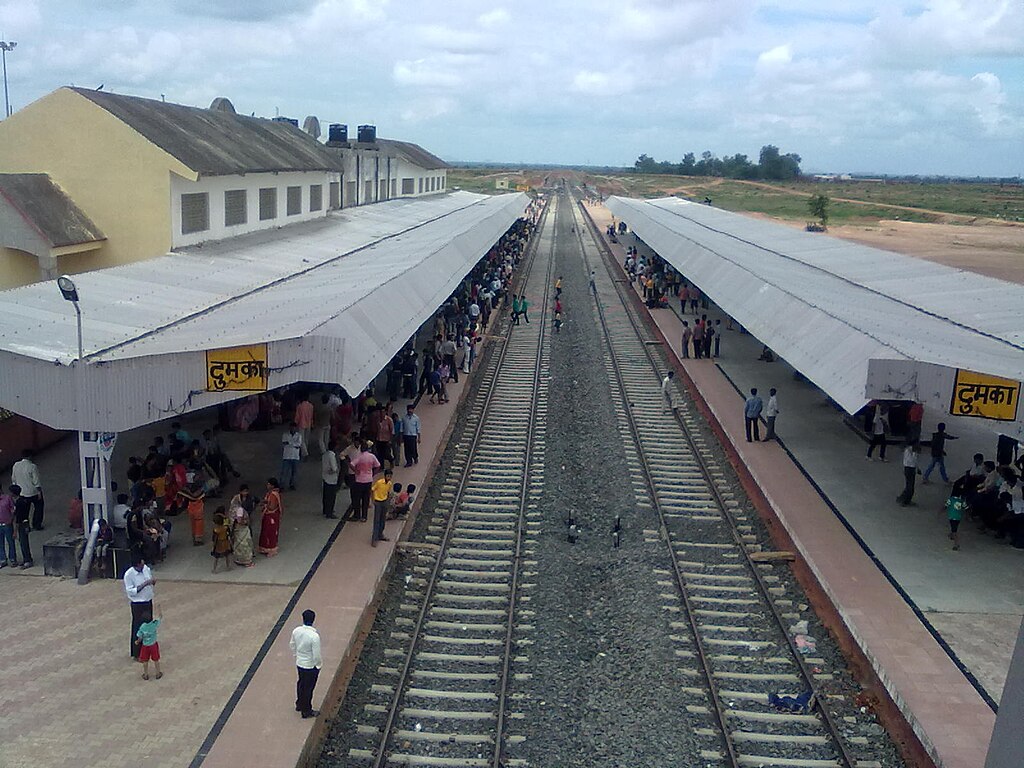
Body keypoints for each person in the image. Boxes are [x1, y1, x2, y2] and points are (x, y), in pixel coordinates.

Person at [290, 609, 322, 719]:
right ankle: (306, 710)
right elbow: (316, 654)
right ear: (313, 620)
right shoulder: (314, 636)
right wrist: (318, 665)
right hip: (310, 666)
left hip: (300, 663)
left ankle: (299, 704)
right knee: (308, 688)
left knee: (301, 684)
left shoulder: (296, 631)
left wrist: (296, 655)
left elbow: (292, 644)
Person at [124, 554, 155, 659]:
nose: (143, 566)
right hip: (138, 604)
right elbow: (130, 591)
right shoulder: (129, 575)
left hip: (148, 601)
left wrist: (151, 582)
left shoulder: (146, 569)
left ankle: (148, 649)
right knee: (138, 628)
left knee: (149, 627)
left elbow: (149, 578)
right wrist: (144, 584)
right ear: (136, 565)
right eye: (141, 565)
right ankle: (137, 652)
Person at [11, 449, 44, 530]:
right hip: (33, 492)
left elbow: (13, 479)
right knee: (39, 507)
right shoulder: (32, 466)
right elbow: (36, 481)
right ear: (30, 456)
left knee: (24, 511)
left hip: (22, 493)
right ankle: (36, 524)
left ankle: (26, 526)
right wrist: (39, 492)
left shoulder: (16, 465)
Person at [349, 442, 381, 523]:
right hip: (368, 480)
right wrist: (373, 473)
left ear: (361, 448)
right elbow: (378, 465)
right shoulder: (372, 456)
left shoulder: (359, 457)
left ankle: (357, 515)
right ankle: (364, 516)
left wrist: (356, 471)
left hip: (359, 480)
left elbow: (351, 464)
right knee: (366, 499)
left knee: (357, 498)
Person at [135, 604, 163, 681]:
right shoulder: (154, 624)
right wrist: (159, 609)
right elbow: (160, 617)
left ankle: (146, 674)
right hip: (153, 645)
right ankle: (158, 673)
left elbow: (140, 637)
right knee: (156, 659)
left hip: (145, 646)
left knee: (145, 660)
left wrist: (137, 641)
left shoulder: (142, 627)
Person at [259, 478, 284, 556]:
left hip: (271, 516)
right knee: (266, 532)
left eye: (269, 484)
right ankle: (264, 548)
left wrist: (265, 505)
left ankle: (271, 549)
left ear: (272, 485)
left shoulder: (273, 494)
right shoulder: (271, 493)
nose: (267, 485)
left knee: (270, 533)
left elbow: (272, 507)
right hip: (269, 515)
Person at [230, 497, 255, 567]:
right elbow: (239, 520)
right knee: (245, 544)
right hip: (242, 529)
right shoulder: (240, 509)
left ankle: (238, 559)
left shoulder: (233, 509)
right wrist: (245, 522)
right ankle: (246, 561)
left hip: (236, 528)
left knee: (238, 544)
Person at [12, 485, 33, 569]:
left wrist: (15, 531)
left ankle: (28, 560)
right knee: (24, 542)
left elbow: (18, 518)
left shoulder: (19, 503)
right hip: (26, 522)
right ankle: (26, 559)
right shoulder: (24, 500)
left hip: (22, 524)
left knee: (23, 542)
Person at [371, 469, 393, 546]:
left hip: (384, 501)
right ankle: (374, 539)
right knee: (377, 520)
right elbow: (372, 490)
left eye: (390, 476)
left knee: (383, 519)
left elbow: (388, 492)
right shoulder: (379, 482)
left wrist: (388, 501)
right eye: (388, 476)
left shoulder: (389, 483)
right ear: (385, 476)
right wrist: (373, 500)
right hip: (378, 502)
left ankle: (380, 534)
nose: (389, 478)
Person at [946, 478, 968, 551]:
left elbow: (945, 506)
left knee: (954, 530)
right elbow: (966, 508)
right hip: (958, 517)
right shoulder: (962, 501)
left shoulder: (951, 499)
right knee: (955, 527)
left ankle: (956, 544)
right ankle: (952, 534)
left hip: (952, 516)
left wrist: (940, 511)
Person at [320, 440, 340, 519]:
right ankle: (330, 512)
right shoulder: (332, 455)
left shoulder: (325, 454)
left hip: (325, 477)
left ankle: (325, 510)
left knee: (325, 495)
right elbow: (334, 468)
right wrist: (335, 470)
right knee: (331, 497)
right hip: (332, 479)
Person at [280, 423, 303, 490]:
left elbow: (298, 445)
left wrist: (289, 443)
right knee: (284, 472)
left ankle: (292, 484)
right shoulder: (285, 434)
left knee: (294, 472)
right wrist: (294, 444)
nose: (293, 429)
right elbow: (284, 443)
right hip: (287, 456)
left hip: (295, 457)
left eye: (294, 428)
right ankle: (281, 485)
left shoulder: (299, 435)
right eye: (291, 428)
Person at [211, 508, 233, 573]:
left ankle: (214, 569)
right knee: (227, 555)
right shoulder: (225, 528)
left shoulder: (216, 530)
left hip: (219, 544)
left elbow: (214, 539)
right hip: (225, 542)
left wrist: (213, 546)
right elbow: (229, 534)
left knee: (216, 557)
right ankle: (228, 567)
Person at [0, 485, 17, 567]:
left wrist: (11, 519)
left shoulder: (7, 498)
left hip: (7, 524)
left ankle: (13, 559)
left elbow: (13, 509)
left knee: (10, 542)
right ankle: (2, 559)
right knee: (0, 543)